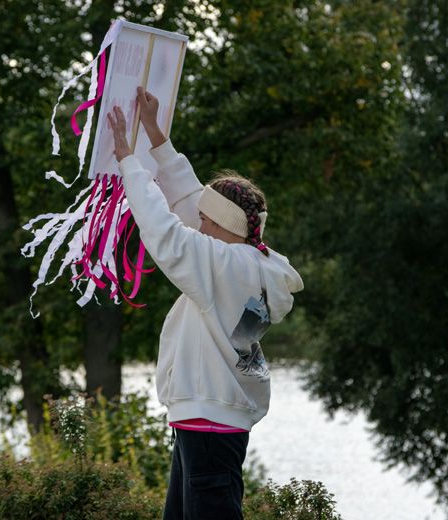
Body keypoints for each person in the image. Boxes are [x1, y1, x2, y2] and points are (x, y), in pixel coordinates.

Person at [108, 87, 304, 520]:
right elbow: (187, 201)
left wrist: (129, 162)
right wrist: (158, 138)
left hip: (210, 424)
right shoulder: (251, 262)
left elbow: (166, 233)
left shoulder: (225, 267)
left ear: (224, 224)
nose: (197, 222)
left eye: (206, 219)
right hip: (211, 418)